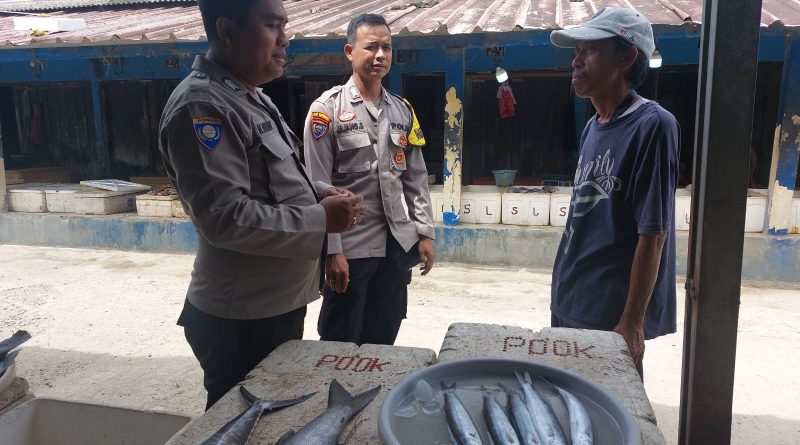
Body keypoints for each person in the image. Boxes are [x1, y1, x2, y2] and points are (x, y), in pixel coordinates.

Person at [158, 0, 366, 409]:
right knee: (240, 421)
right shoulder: (203, 106)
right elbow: (224, 218)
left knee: (273, 415)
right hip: (242, 320)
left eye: (284, 25)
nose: (285, 38)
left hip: (274, 307)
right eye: (272, 25)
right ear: (226, 30)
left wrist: (319, 192)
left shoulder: (250, 97)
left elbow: (271, 183)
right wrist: (319, 219)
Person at [549, 7, 680, 378]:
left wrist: (633, 321)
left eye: (589, 50)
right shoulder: (593, 126)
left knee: (612, 407)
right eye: (576, 52)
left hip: (609, 314)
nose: (576, 61)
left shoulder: (653, 125)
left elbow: (653, 235)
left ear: (626, 57)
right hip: (571, 298)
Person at [303, 14, 435, 346]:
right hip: (351, 249)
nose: (380, 55)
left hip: (395, 248)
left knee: (384, 341)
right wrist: (332, 250)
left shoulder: (403, 111)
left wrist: (424, 233)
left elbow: (416, 179)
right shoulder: (326, 111)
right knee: (340, 342)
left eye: (386, 48)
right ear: (350, 52)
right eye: (371, 47)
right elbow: (318, 186)